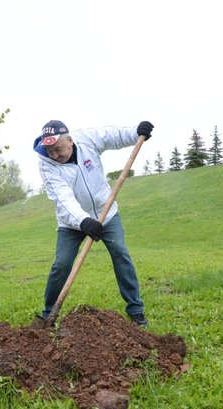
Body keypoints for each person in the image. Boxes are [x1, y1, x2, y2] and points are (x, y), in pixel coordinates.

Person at [33, 119, 154, 327]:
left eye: (58, 149)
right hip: (72, 223)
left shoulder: (86, 140)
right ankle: (48, 314)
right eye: (49, 150)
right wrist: (83, 221)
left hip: (106, 214)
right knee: (61, 264)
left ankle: (136, 311)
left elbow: (110, 136)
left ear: (70, 140)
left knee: (120, 253)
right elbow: (63, 199)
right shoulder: (46, 166)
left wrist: (135, 133)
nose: (54, 155)